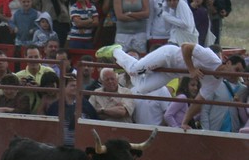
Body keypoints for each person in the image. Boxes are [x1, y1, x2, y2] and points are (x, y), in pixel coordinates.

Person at [95, 43, 245, 121]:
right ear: (228, 63)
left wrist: (185, 121)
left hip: (170, 72)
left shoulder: (215, 83)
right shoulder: (211, 58)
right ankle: (116, 50)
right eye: (236, 70)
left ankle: (124, 66)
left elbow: (199, 101)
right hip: (168, 56)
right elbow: (186, 46)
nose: (236, 76)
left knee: (141, 87)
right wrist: (191, 69)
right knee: (135, 70)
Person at [15, 45, 55, 112]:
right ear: (25, 58)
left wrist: (39, 88)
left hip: (46, 113)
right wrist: (19, 87)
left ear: (41, 57)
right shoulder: (17, 76)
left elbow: (56, 93)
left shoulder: (49, 72)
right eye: (30, 57)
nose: (33, 60)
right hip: (23, 114)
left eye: (36, 57)